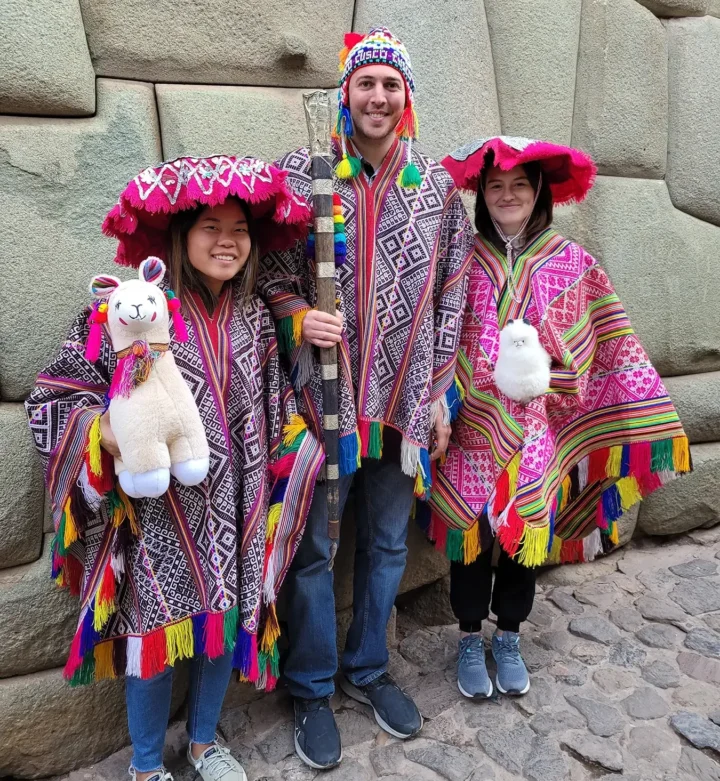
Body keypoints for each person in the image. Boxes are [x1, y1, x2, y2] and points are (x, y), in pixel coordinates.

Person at [26, 156, 324, 781]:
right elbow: (54, 397)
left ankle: (203, 744)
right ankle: (142, 765)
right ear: (180, 239)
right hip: (153, 518)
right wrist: (106, 433)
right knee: (153, 638)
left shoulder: (255, 322)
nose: (227, 241)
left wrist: (291, 456)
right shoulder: (131, 312)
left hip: (234, 508)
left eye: (239, 229)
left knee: (221, 623)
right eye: (210, 227)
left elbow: (275, 403)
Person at [259, 28, 475, 770]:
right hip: (324, 401)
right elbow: (267, 273)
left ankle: (368, 669)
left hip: (405, 403)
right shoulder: (305, 173)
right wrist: (296, 315)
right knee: (314, 549)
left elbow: (454, 295)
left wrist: (440, 394)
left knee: (386, 542)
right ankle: (312, 685)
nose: (378, 96)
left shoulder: (439, 190)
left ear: (405, 96)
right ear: (345, 93)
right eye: (365, 83)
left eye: (390, 84)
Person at [418, 136, 690, 700]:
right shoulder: (462, 260)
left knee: (524, 534)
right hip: (469, 426)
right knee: (469, 534)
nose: (507, 195)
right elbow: (438, 332)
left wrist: (555, 379)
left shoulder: (573, 263)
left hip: (540, 429)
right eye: (496, 186)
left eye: (519, 185)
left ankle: (510, 632)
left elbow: (601, 341)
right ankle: (470, 634)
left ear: (538, 191)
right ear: (482, 194)